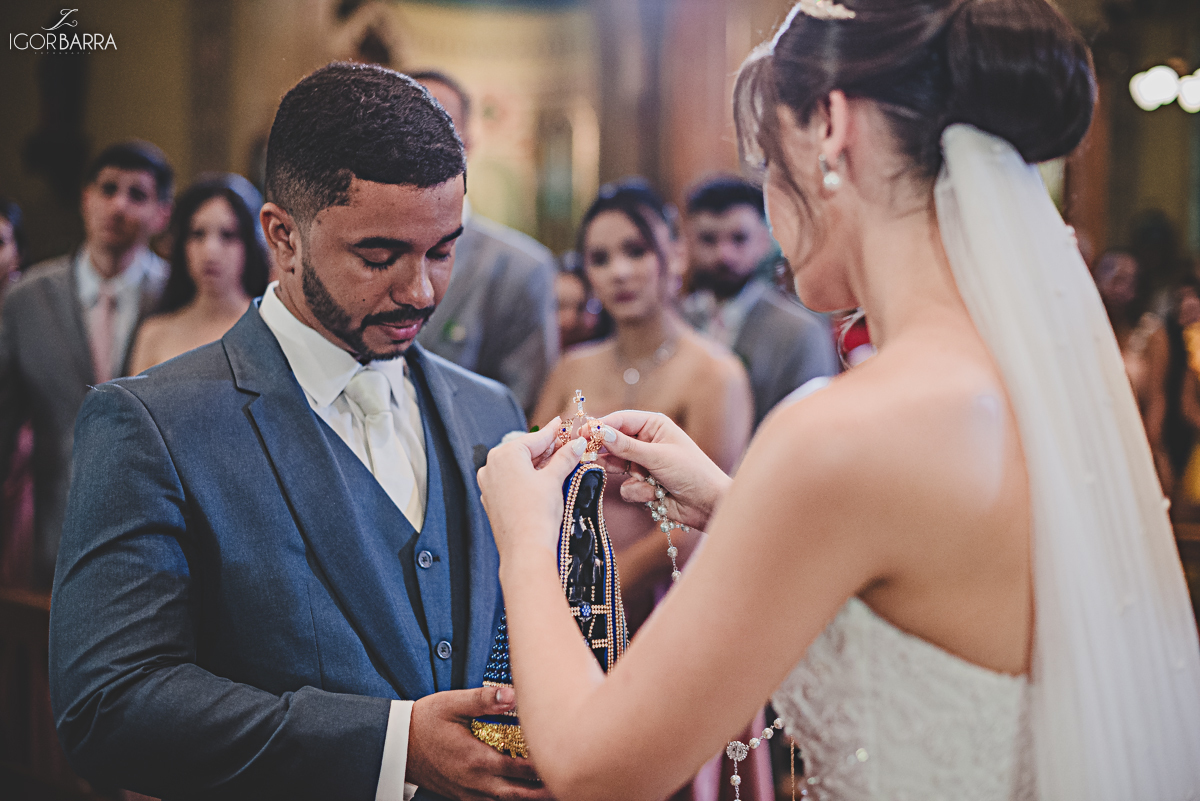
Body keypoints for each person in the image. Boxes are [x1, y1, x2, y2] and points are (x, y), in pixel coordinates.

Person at [477, 1, 1200, 800]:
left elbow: (590, 765)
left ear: (830, 126)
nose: (769, 205)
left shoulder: (844, 429)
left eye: (763, 162)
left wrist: (524, 534)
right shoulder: (1020, 382)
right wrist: (737, 503)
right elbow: (938, 571)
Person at [49, 63, 551, 801]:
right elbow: (108, 707)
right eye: (379, 255)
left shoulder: (491, 410)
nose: (421, 291)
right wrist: (391, 744)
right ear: (282, 236)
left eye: (443, 250)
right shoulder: (150, 423)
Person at [531, 179, 762, 801]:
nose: (618, 272)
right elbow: (535, 481)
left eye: (635, 250)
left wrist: (607, 585)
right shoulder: (572, 370)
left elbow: (703, 521)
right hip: (572, 594)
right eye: (600, 259)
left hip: (667, 600)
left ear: (674, 256)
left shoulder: (714, 373)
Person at [0, 141, 172, 590]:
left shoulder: (176, 298)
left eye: (137, 195)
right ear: (85, 198)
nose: (118, 204)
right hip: (54, 534)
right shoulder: (27, 300)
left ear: (162, 213)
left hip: (157, 547)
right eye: (108, 188)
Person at [411, 69, 559, 415]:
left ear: (467, 146)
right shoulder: (357, 253)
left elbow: (522, 410)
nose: (417, 148)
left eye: (438, 132)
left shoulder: (520, 270)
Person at [681, 176, 838, 425]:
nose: (724, 255)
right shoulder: (676, 320)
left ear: (763, 241)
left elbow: (812, 426)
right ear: (687, 242)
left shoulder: (800, 333)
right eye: (708, 240)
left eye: (739, 239)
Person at [128, 174, 270, 373]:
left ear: (249, 245)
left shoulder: (272, 329)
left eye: (228, 235)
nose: (210, 250)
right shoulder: (154, 333)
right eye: (197, 234)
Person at [1094, 248, 1172, 489]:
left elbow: (1157, 396)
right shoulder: (1087, 331)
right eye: (1110, 276)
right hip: (1094, 437)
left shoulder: (1151, 332)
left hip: (1134, 436)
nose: (1116, 286)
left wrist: (1147, 445)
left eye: (1125, 279)